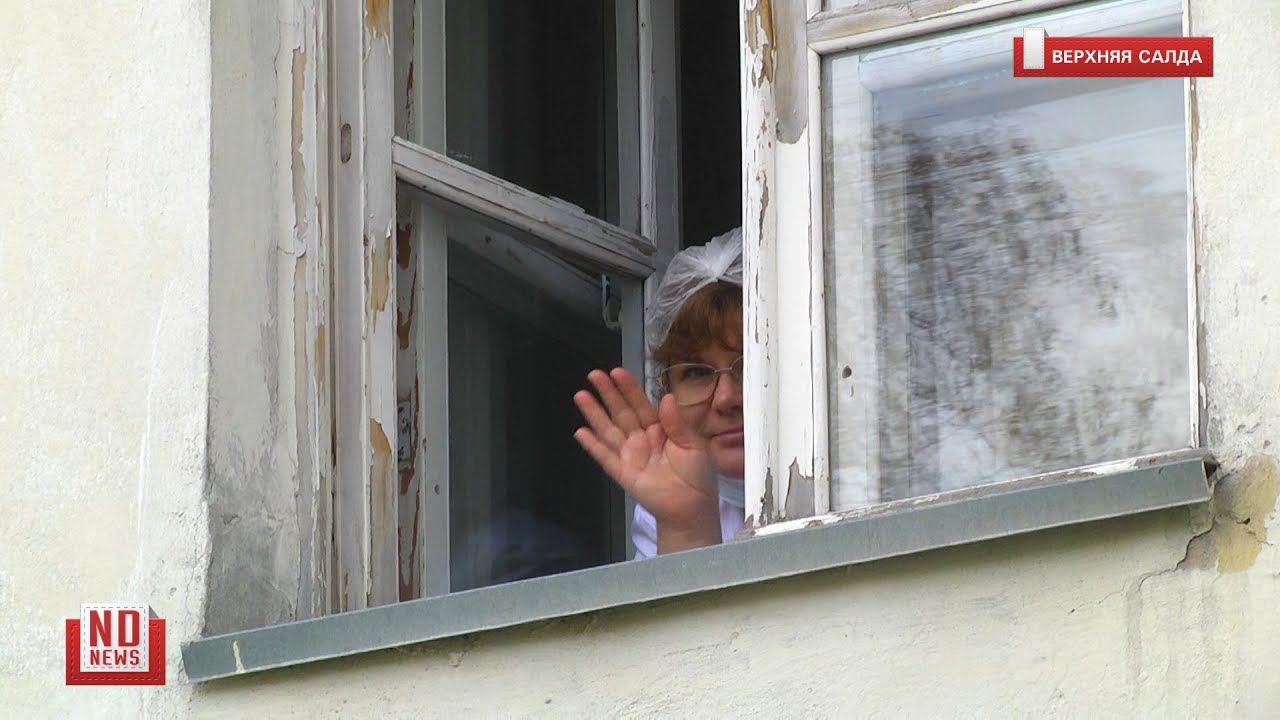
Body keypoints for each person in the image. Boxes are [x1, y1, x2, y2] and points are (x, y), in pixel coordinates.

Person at [573, 228, 744, 557]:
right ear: (666, 391)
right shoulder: (665, 504)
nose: (726, 398)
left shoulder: (844, 483)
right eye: (696, 373)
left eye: (750, 363)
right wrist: (687, 529)